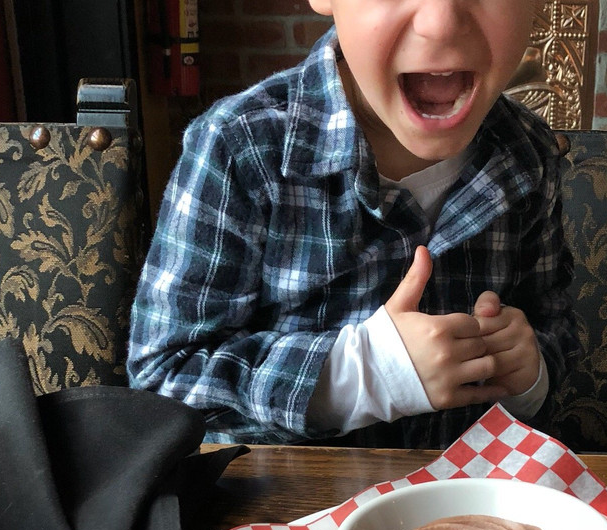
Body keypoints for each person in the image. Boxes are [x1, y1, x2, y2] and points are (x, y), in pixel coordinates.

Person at [127, 0, 579, 448]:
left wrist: (529, 373)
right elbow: (165, 378)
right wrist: (364, 374)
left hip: (472, 487)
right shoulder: (239, 145)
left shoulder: (529, 153)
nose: (440, 22)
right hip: (292, 493)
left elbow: (554, 326)